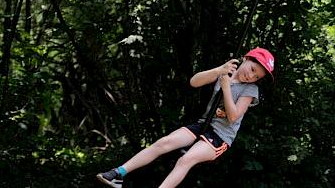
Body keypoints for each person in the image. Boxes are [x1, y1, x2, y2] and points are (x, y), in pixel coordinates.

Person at [96, 47, 275, 188]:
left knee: (186, 159)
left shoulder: (251, 90)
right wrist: (219, 70)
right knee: (163, 143)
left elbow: (234, 116)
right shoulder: (226, 72)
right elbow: (194, 82)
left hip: (221, 137)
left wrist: (226, 88)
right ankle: (118, 173)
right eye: (252, 69)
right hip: (203, 124)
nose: (251, 76)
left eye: (256, 76)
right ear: (246, 58)